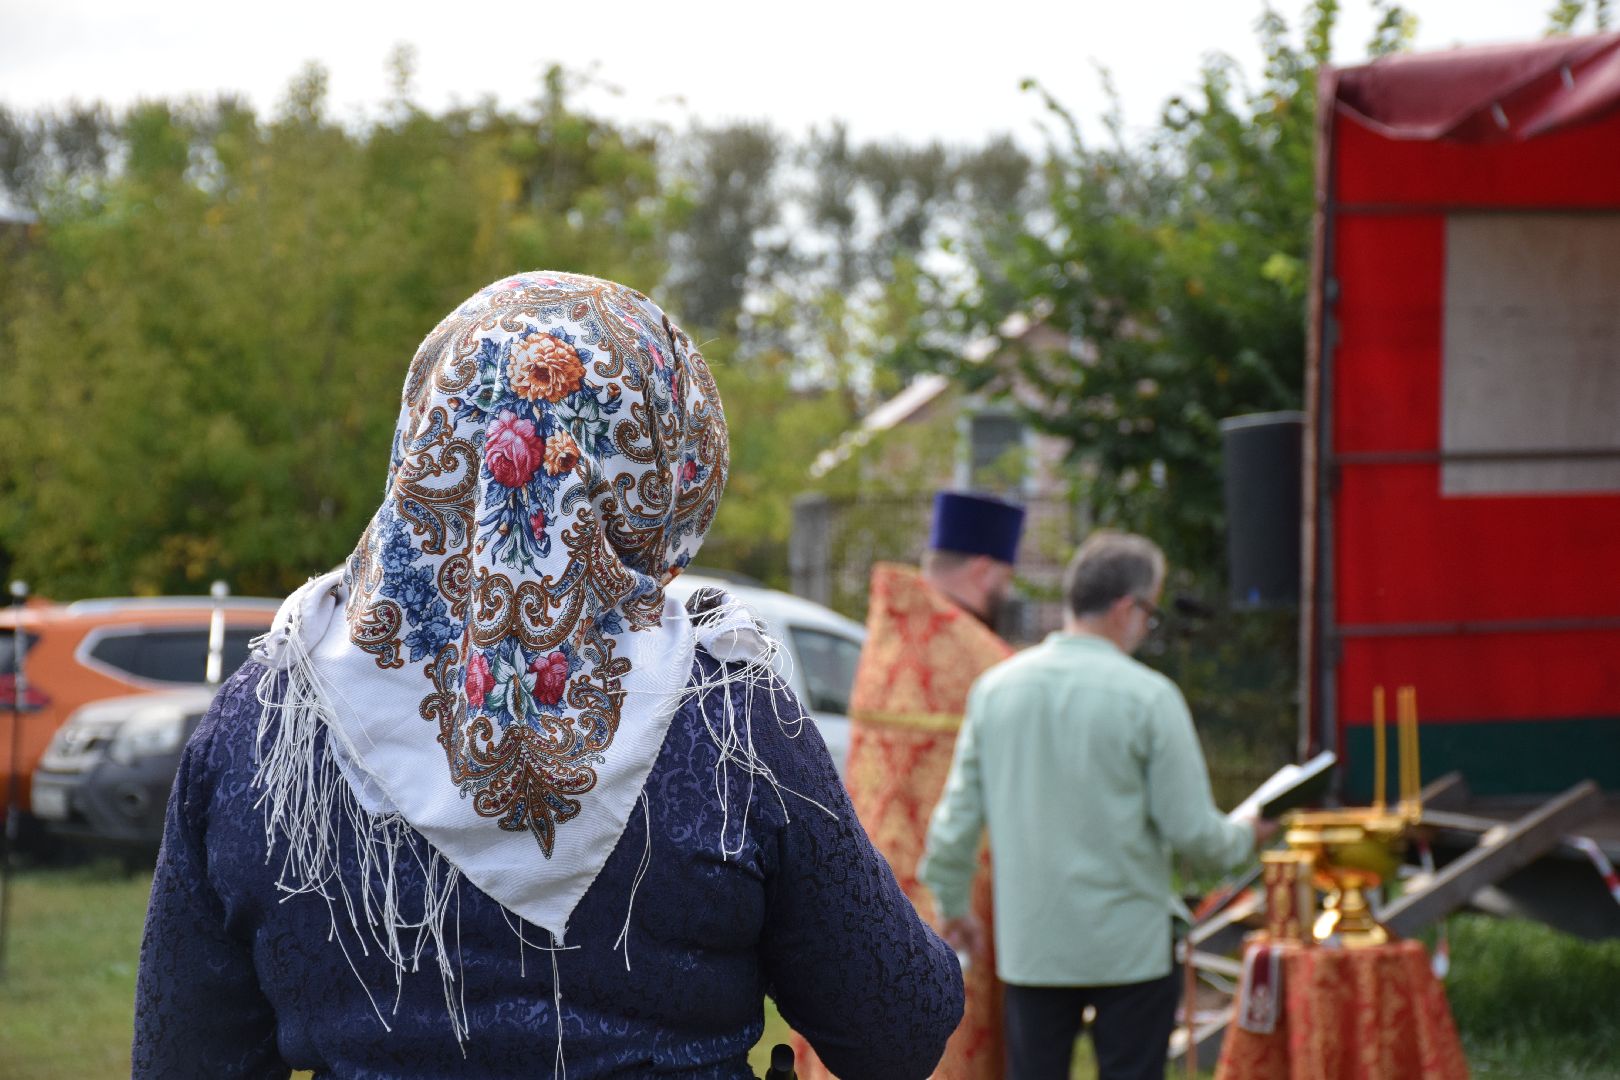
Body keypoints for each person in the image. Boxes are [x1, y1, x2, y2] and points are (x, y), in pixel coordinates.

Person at [133, 271, 963, 1079]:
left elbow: (183, 1052)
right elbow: (896, 1026)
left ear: (430, 422)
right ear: (665, 462)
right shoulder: (726, 712)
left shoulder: (269, 714)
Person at [919, 530, 1275, 1080]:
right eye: (1150, 613)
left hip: (1033, 943)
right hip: (1130, 946)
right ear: (1128, 608)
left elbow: (955, 823)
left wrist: (951, 902)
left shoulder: (996, 690)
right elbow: (1195, 835)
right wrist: (1248, 831)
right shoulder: (1150, 697)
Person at [792, 491, 1023, 1080]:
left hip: (863, 885)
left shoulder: (886, 638)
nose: (1008, 594)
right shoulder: (990, 663)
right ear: (982, 569)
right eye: (1006, 579)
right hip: (953, 901)